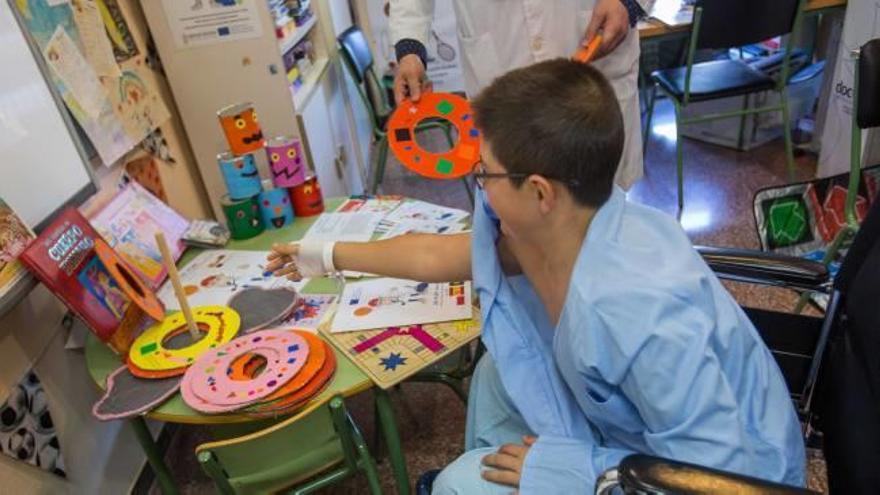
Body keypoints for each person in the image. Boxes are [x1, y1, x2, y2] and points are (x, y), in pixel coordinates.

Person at [267, 60, 806, 492]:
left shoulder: (637, 317)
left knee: (460, 482)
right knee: (496, 378)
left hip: (725, 473)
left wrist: (573, 471)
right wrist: (324, 252)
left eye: (485, 173)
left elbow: (714, 476)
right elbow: (437, 255)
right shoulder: (571, 224)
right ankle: (490, 466)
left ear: (540, 192)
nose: (478, 184)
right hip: (640, 425)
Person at [389, 0, 648, 189]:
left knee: (599, 210)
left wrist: (627, 3)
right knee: (514, 219)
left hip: (591, 55)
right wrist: (410, 50)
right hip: (503, 67)